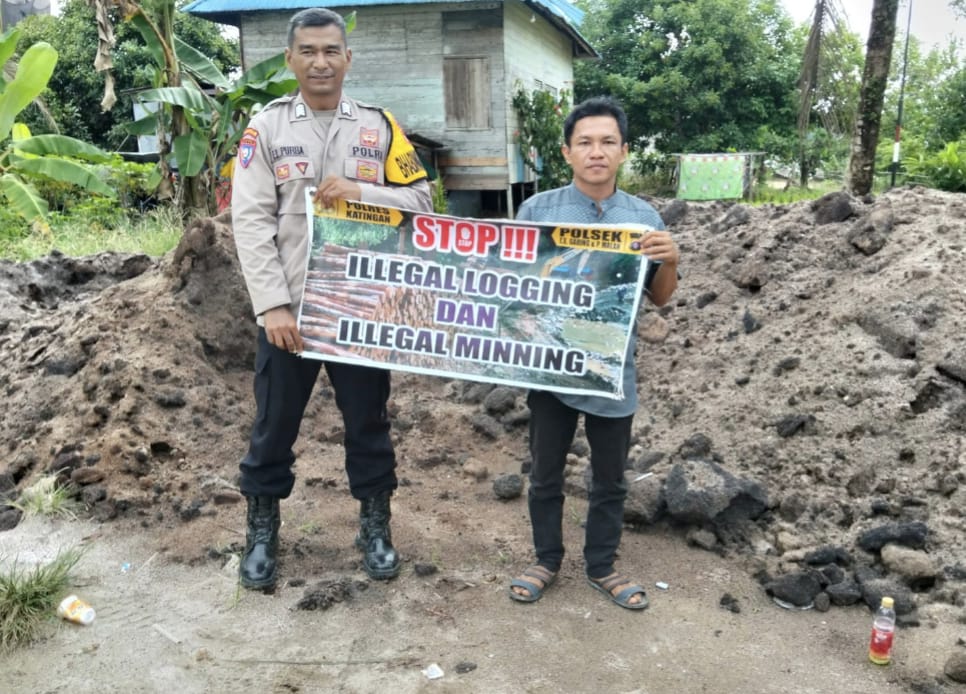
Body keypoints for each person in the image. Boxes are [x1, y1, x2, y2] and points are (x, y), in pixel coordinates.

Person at [230, 8, 432, 589]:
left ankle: (375, 527)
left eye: (331, 51)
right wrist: (271, 306)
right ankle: (262, 533)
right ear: (291, 60)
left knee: (369, 423)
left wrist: (365, 190)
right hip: (289, 313)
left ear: (348, 58)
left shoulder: (379, 126)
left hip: (363, 307)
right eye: (308, 52)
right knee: (273, 427)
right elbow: (250, 221)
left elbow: (421, 199)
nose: (320, 62)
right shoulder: (265, 129)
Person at [509, 97, 679, 610]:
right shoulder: (537, 211)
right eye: (585, 142)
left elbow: (662, 296)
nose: (596, 152)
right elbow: (511, 285)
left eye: (608, 142)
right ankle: (546, 559)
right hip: (551, 366)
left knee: (610, 477)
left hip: (610, 368)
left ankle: (602, 566)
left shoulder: (643, 218)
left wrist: (670, 257)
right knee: (544, 472)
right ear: (567, 152)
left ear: (624, 151)